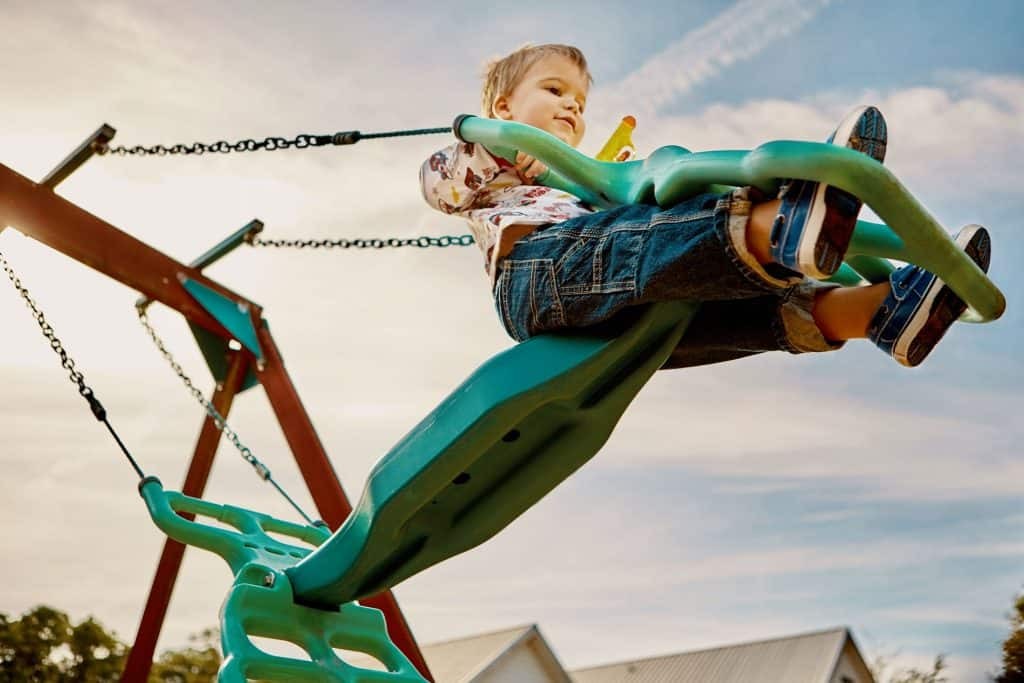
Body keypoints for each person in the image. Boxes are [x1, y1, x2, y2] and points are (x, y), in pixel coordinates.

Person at [420, 43, 990, 368]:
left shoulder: (581, 181)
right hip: (536, 280)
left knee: (709, 313)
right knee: (645, 234)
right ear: (501, 106)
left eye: (578, 100)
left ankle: (878, 310)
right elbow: (438, 183)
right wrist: (491, 140)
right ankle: (778, 226)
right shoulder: (482, 165)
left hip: (606, 314)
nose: (570, 107)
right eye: (554, 91)